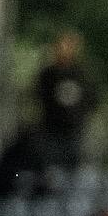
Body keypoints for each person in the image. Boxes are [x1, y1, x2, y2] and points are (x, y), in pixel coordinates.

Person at [34, 30, 96, 171]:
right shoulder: (48, 74)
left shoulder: (81, 74)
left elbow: (90, 99)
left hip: (74, 132)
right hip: (51, 131)